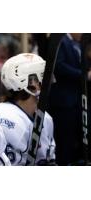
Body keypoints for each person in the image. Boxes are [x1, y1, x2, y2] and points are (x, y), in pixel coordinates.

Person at [0, 53, 56, 166]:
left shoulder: (46, 117)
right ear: (31, 84)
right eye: (43, 76)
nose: (48, 82)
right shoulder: (3, 119)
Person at [48, 33, 91, 165]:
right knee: (65, 139)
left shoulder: (77, 43)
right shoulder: (60, 40)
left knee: (77, 137)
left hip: (77, 98)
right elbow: (59, 66)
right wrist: (84, 75)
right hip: (63, 100)